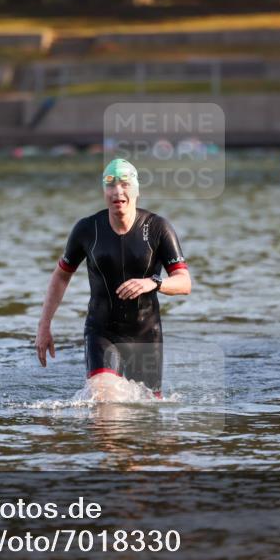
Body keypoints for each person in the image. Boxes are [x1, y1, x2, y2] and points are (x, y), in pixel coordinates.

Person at [35, 158, 192, 398]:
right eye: (110, 185)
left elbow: (184, 282)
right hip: (101, 332)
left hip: (145, 335)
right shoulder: (87, 229)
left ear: (136, 191)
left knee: (145, 412)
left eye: (125, 184)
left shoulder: (158, 228)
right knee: (105, 401)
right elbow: (61, 276)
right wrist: (44, 326)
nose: (117, 191)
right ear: (104, 192)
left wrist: (154, 282)